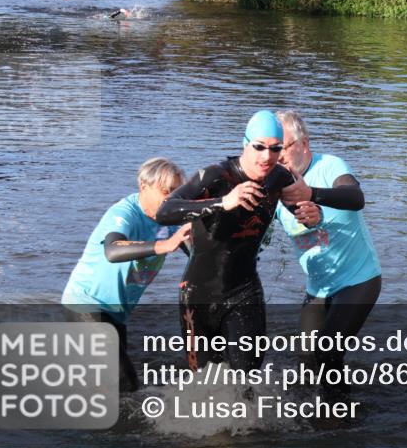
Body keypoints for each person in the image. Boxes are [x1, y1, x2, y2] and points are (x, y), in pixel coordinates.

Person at [155, 111, 297, 371]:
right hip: (198, 295)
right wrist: (222, 202)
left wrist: (313, 215)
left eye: (275, 149)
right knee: (204, 383)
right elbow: (165, 211)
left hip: (244, 291)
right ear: (245, 144)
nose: (267, 156)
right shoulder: (216, 177)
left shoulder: (280, 177)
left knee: (247, 380)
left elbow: (305, 206)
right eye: (259, 147)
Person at [273, 110, 381, 395]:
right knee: (307, 362)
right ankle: (320, 417)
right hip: (318, 289)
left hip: (359, 281)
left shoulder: (330, 165)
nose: (278, 157)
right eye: (273, 150)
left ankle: (343, 419)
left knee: (327, 353)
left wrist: (312, 195)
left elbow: (356, 198)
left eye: (283, 148)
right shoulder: (272, 188)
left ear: (304, 143)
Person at [62, 158, 191, 392]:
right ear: (144, 187)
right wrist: (163, 245)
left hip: (116, 312)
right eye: (165, 191)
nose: (171, 199)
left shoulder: (170, 220)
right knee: (125, 384)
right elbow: (112, 250)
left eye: (176, 193)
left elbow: (196, 253)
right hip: (86, 304)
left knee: (109, 386)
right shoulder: (124, 213)